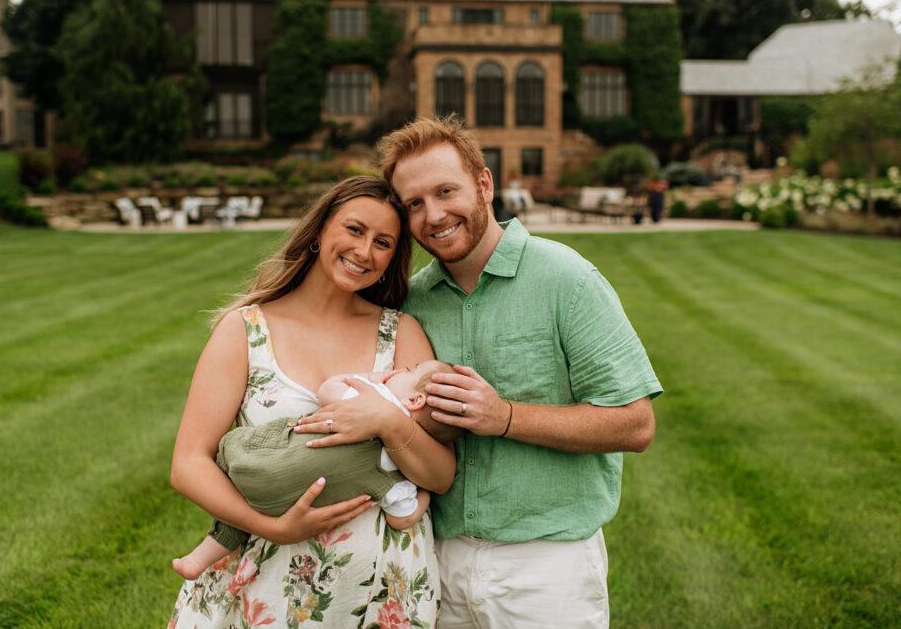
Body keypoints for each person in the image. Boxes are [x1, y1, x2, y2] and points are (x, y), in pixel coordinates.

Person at [371, 116, 662, 628]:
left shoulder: (566, 279)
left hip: (548, 566)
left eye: (445, 191)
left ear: (484, 185)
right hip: (434, 557)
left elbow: (635, 424)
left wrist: (504, 416)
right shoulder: (410, 302)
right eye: (413, 204)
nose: (433, 215)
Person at [168, 177, 455, 628]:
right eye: (355, 230)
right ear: (320, 232)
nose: (365, 251)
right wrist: (272, 527)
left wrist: (387, 421)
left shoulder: (401, 335)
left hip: (382, 592)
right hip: (265, 583)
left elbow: (439, 476)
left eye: (383, 242)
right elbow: (188, 464)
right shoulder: (244, 331)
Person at [172, 359, 462, 580]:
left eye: (408, 371)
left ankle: (201, 554)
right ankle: (200, 558)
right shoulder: (398, 476)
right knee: (261, 501)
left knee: (246, 468)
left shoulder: (374, 399)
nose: (399, 371)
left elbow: (328, 390)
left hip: (252, 458)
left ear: (415, 400)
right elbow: (403, 518)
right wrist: (421, 491)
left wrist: (373, 380)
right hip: (284, 503)